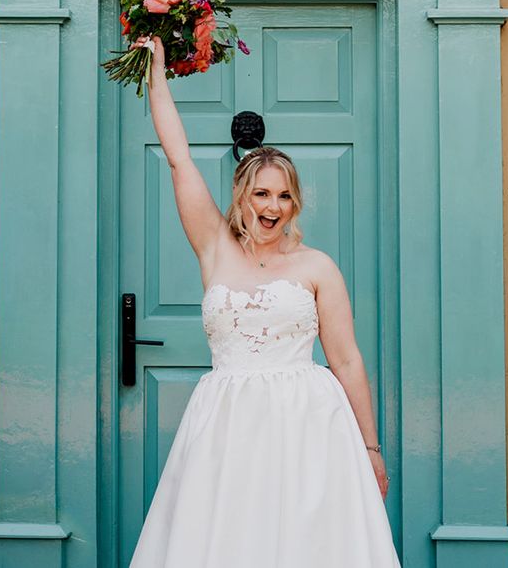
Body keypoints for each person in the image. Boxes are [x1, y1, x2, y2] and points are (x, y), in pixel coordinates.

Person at [128, 35, 401, 568]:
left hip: (308, 423)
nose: (272, 206)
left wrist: (371, 448)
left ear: (294, 202)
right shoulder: (214, 248)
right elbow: (179, 159)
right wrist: (156, 70)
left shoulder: (317, 267)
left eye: (283, 195)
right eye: (261, 194)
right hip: (226, 424)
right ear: (242, 197)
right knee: (228, 542)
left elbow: (345, 359)